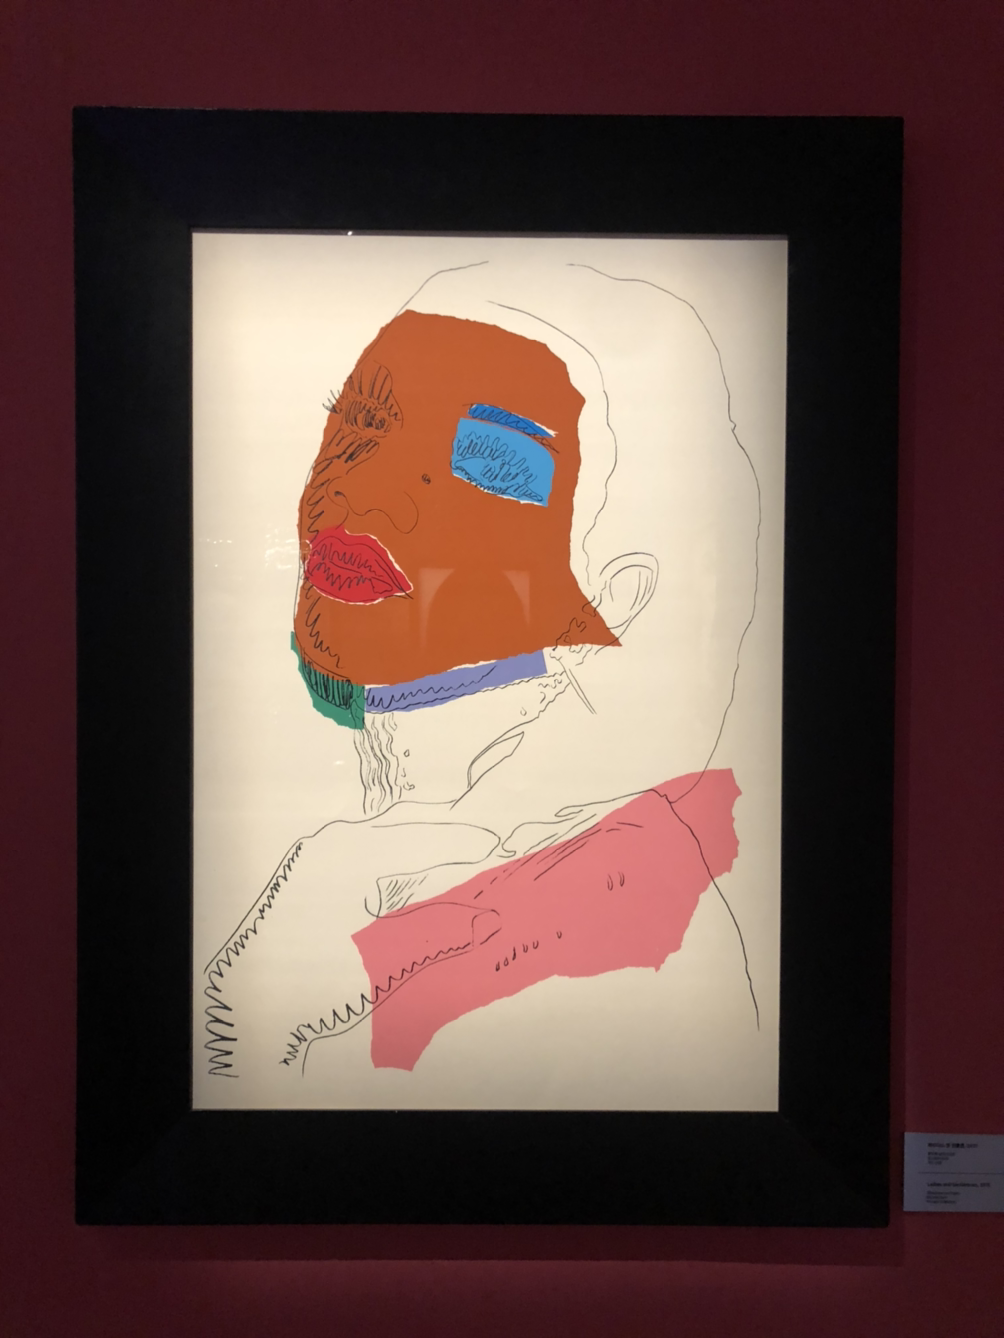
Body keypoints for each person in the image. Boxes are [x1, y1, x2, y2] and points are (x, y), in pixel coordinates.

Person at [202, 259, 765, 1110]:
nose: (365, 494)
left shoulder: (612, 938)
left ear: (615, 593)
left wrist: (240, 1040)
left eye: (492, 463)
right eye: (359, 426)